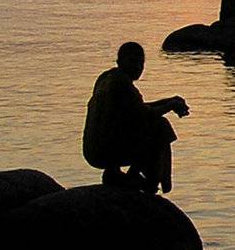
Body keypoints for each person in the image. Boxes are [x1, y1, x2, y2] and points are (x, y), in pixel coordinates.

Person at [81, 41, 189, 194]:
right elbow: (144, 115)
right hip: (105, 151)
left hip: (94, 151)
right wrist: (170, 106)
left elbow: (135, 109)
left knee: (151, 124)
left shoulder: (107, 77)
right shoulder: (121, 83)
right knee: (160, 126)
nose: (138, 67)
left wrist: (169, 101)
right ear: (120, 62)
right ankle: (145, 178)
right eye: (132, 61)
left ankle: (115, 173)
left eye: (141, 63)